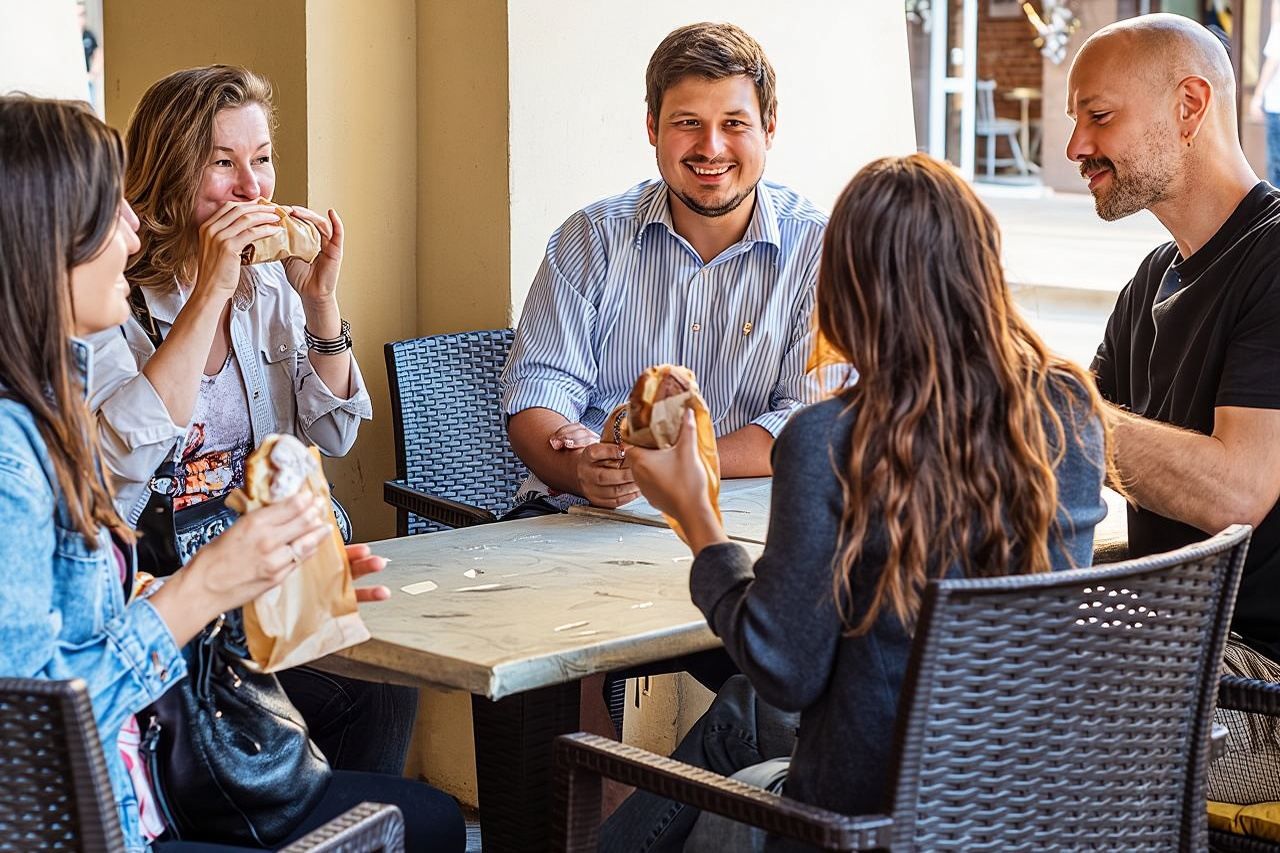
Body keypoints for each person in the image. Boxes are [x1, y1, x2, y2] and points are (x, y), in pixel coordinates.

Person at [600, 154, 1110, 853]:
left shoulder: (833, 441)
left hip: (859, 824)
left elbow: (783, 668)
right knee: (738, 721)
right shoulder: (1067, 410)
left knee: (737, 726)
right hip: (1020, 811)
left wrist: (695, 514)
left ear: (845, 289)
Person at [0, 95, 465, 853]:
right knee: (426, 823)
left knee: (391, 738)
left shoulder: (44, 403)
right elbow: (29, 731)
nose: (133, 227)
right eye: (108, 210)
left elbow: (337, 431)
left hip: (160, 743)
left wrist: (246, 582)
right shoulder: (15, 451)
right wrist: (208, 587)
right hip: (126, 805)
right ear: (40, 241)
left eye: (260, 159)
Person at [86, 65, 415, 776]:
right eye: (223, 163)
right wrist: (210, 288)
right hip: (174, 596)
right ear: (170, 174)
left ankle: (335, 822)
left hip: (271, 582)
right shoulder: (112, 299)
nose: (252, 188)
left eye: (261, 160)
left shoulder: (269, 285)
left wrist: (321, 302)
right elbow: (118, 476)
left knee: (386, 682)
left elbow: (334, 434)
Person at [499, 21, 833, 516]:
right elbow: (536, 392)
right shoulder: (590, 237)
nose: (711, 147)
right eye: (687, 122)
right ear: (653, 127)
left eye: (735, 124)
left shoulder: (820, 249)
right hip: (580, 515)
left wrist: (677, 463)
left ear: (770, 127)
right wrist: (578, 469)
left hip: (751, 519)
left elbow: (813, 422)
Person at [1068, 14, 1280, 660]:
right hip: (1163, 645)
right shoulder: (1152, 280)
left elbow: (1237, 491)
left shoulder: (1273, 256)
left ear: (1189, 107)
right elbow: (1059, 437)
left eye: (1098, 116)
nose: (1077, 145)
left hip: (1254, 675)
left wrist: (1054, 412)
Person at [1250, 0, 1280, 186]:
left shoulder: (1279, 28)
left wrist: (1258, 96)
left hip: (1276, 106)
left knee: (1276, 164)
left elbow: (1272, 61)